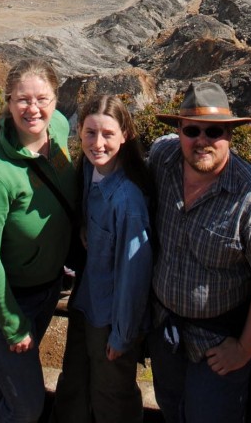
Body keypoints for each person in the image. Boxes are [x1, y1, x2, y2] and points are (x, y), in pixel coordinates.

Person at [147, 79, 251, 423]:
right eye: (192, 130)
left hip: (217, 344)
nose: (202, 140)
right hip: (165, 331)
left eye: (213, 131)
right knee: (171, 410)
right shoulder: (162, 160)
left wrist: (244, 349)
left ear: (229, 135)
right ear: (179, 131)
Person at [0, 57, 76, 423]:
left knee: (5, 379)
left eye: (42, 98)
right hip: (0, 303)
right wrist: (11, 322)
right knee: (27, 404)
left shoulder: (58, 128)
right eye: (23, 99)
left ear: (56, 99)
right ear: (8, 101)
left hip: (45, 287)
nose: (33, 109)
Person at [52, 94, 154, 423]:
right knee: (74, 387)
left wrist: (123, 335)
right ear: (79, 132)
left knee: (112, 398)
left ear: (125, 135)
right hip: (86, 303)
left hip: (110, 318)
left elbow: (133, 275)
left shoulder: (127, 200)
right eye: (90, 133)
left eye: (108, 134)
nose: (98, 143)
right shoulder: (87, 170)